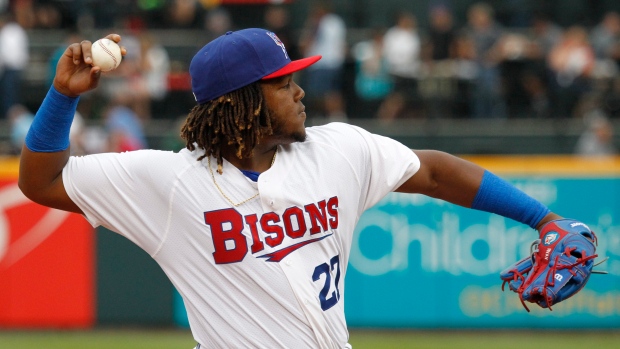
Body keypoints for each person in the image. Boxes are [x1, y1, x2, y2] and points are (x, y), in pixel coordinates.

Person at [20, 30, 572, 349]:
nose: (300, 90)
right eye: (283, 83)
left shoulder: (337, 151)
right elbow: (41, 180)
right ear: (242, 101)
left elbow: (432, 171)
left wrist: (542, 219)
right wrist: (61, 98)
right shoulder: (167, 182)